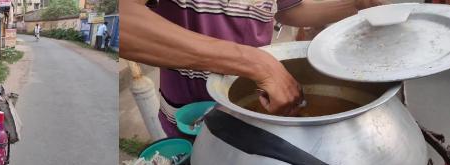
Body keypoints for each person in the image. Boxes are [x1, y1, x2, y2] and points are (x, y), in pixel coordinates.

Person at [120, 0, 384, 137]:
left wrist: (354, 5)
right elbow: (123, 23)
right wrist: (255, 63)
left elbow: (289, 10)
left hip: (256, 113)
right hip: (192, 122)